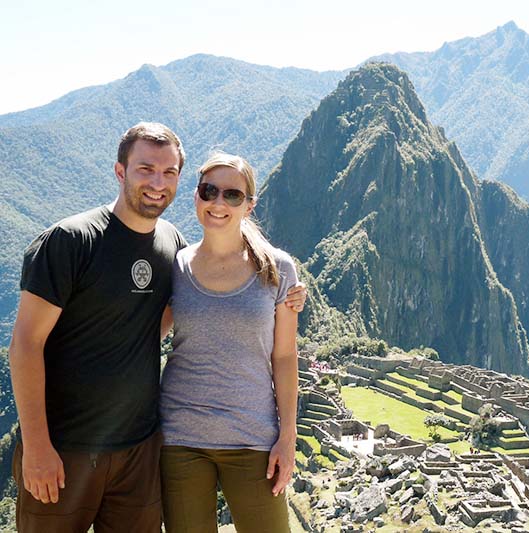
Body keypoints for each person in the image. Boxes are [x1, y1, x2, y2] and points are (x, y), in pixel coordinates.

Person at [7, 123, 306, 533]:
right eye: (145, 169)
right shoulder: (74, 241)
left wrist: (287, 298)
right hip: (71, 446)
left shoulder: (174, 246)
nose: (157, 182)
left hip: (140, 451)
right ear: (120, 171)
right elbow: (25, 343)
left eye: (168, 173)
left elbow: (167, 321)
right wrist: (37, 446)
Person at [158, 153, 297, 533]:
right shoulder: (175, 267)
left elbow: (284, 357)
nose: (219, 203)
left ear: (249, 205)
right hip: (181, 438)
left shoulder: (277, 269)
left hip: (253, 439)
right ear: (197, 197)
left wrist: (288, 436)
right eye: (209, 191)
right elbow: (148, 333)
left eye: (232, 195)